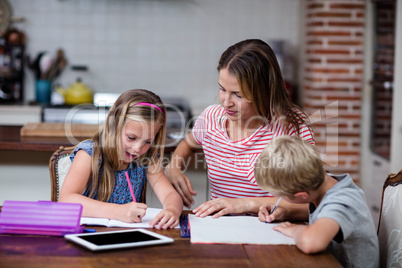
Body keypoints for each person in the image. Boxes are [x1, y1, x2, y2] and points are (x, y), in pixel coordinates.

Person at [165, 39, 314, 218]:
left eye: (238, 95)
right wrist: (174, 167)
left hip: (268, 232)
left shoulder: (291, 128)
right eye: (222, 89)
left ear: (264, 91)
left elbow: (313, 204)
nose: (226, 102)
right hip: (219, 229)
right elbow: (188, 144)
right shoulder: (211, 118)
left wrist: (245, 204)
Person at [59, 89, 183, 229]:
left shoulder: (146, 159)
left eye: (147, 141)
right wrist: (117, 211)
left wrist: (172, 210)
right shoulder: (90, 154)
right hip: (89, 235)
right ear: (114, 127)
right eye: (131, 138)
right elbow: (66, 200)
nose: (137, 148)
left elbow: (170, 194)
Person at [254, 136, 379, 268]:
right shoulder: (324, 182)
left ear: (302, 196)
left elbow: (311, 243)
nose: (278, 198)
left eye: (280, 195)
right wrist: (287, 212)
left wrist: (296, 230)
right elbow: (324, 213)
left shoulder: (341, 201)